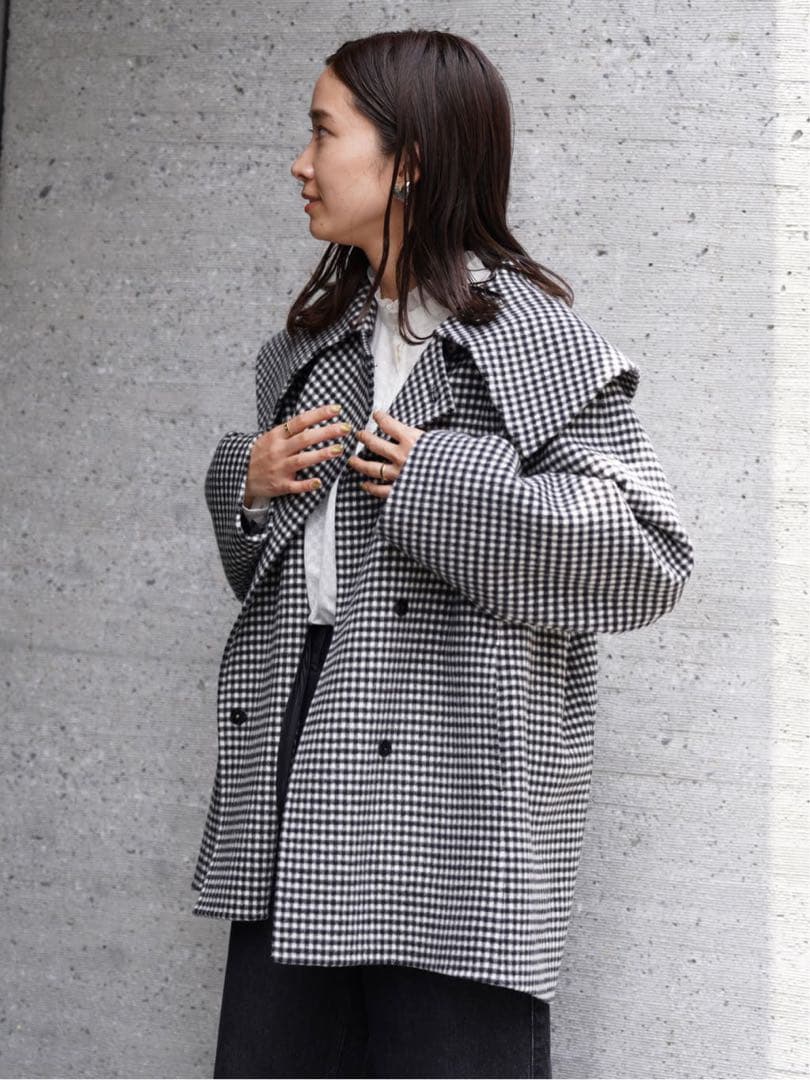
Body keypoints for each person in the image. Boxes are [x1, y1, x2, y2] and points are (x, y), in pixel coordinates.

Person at [192, 28, 694, 1080]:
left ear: (409, 160)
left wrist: (442, 485)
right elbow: (288, 583)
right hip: (306, 731)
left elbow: (648, 555)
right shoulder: (310, 352)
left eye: (323, 133)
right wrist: (243, 484)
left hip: (457, 763)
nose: (300, 162)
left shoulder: (530, 341)